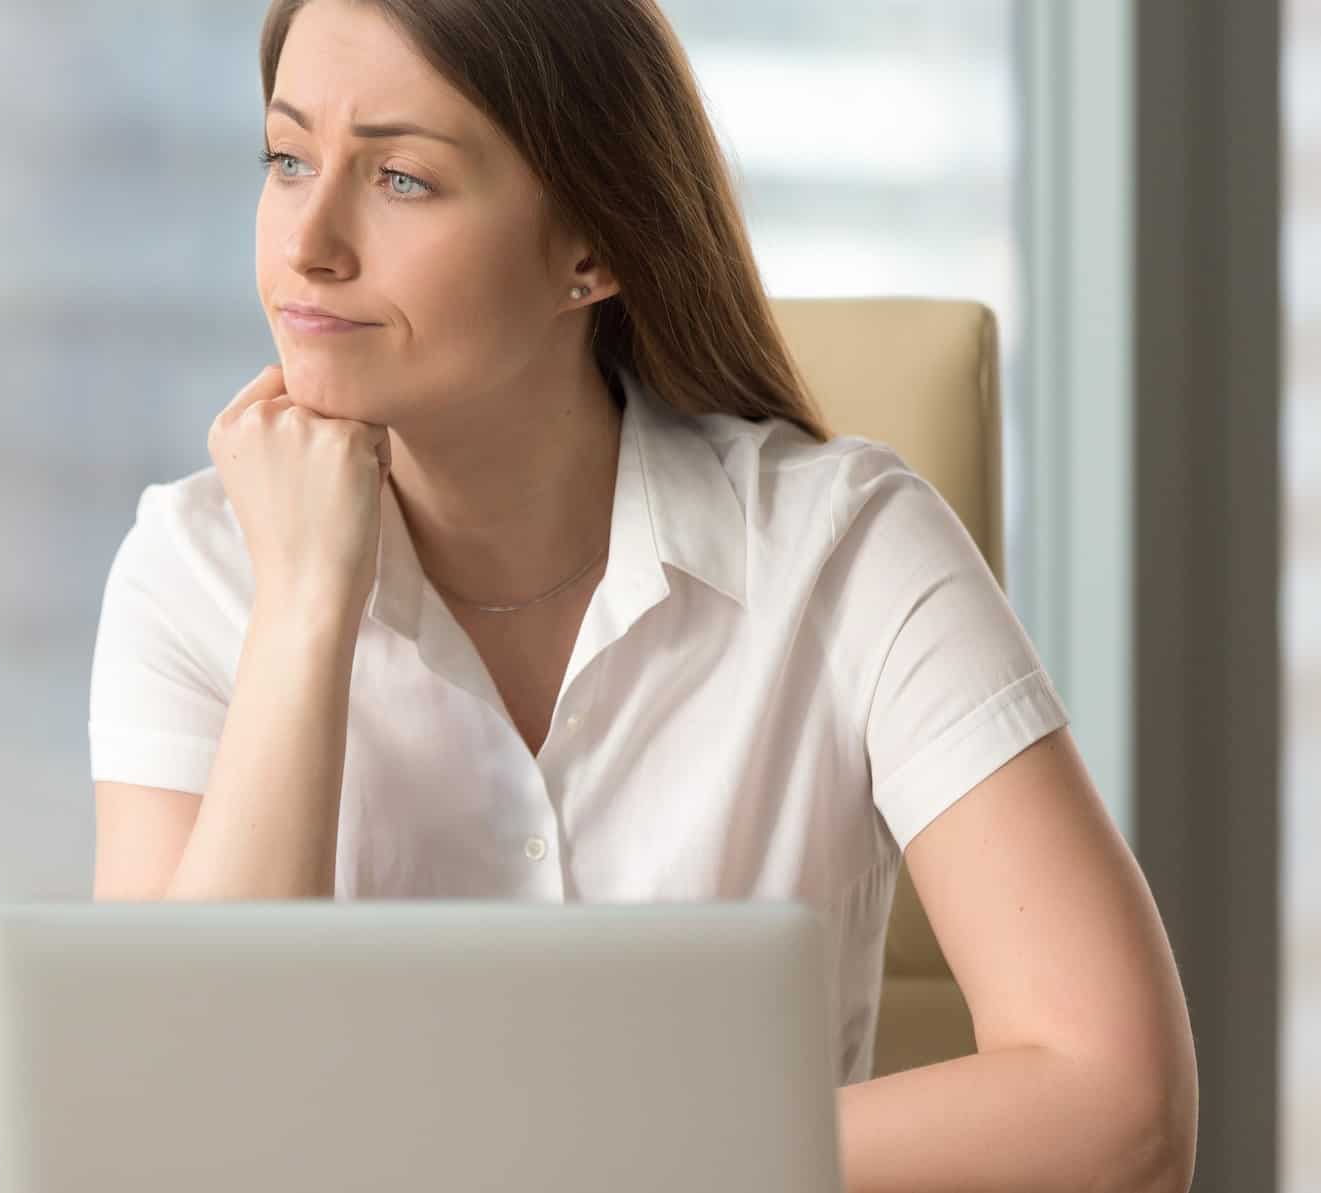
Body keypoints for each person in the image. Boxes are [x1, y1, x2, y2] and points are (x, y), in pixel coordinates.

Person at [87, 1, 1198, 1189]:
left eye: (402, 178)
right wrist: (304, 608)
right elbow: (177, 1141)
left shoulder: (846, 548)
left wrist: (567, 1165)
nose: (309, 241)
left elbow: (1117, 1105)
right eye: (289, 158)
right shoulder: (196, 568)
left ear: (592, 249)